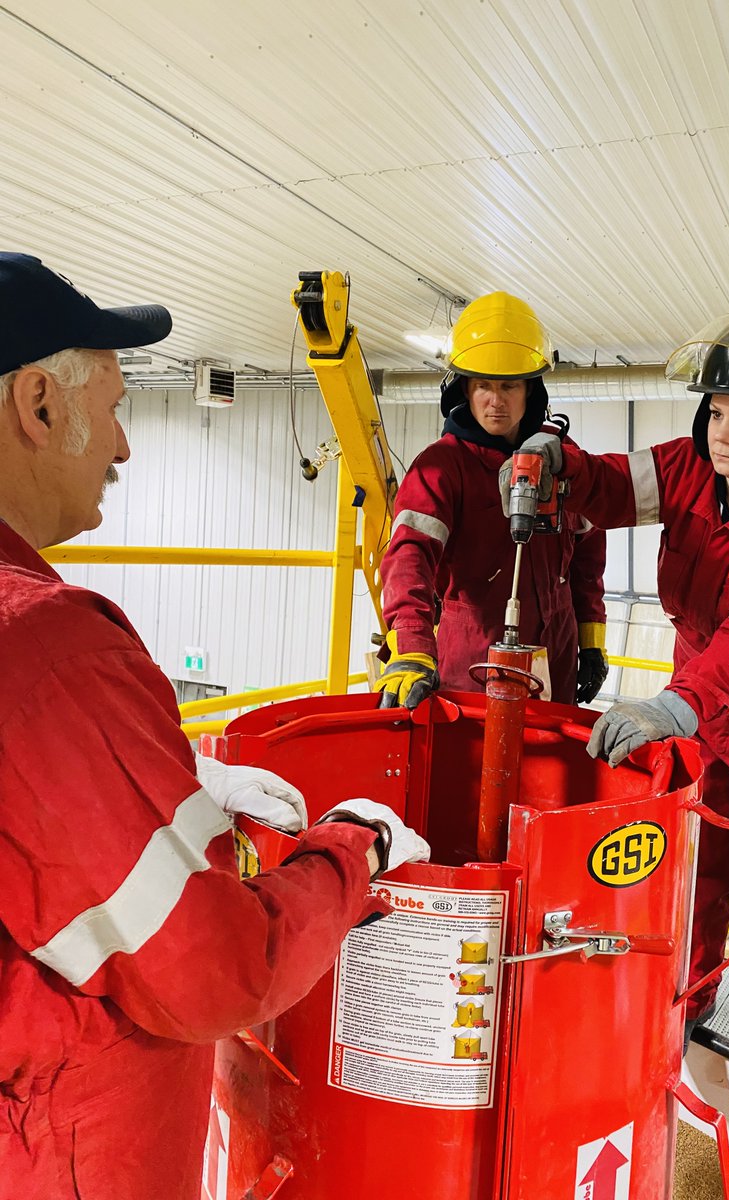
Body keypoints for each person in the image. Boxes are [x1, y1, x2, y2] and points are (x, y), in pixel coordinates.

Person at [0, 252, 429, 1200]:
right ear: (36, 405)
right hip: (68, 1151)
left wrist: (171, 774)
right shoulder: (46, 645)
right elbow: (218, 969)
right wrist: (354, 851)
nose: (121, 447)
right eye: (113, 407)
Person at [500, 307, 729, 1128]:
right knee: (696, 883)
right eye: (715, 412)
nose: (723, 433)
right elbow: (606, 483)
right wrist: (553, 463)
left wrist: (674, 705)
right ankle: (684, 1017)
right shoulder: (684, 471)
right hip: (697, 721)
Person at [375, 290, 608, 710]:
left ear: (530, 391)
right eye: (484, 385)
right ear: (464, 387)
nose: (495, 400)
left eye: (509, 385)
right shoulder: (440, 467)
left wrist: (591, 640)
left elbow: (589, 556)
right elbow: (409, 557)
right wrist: (411, 645)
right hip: (471, 663)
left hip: (556, 658)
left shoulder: (562, 459)